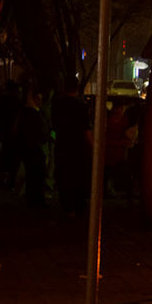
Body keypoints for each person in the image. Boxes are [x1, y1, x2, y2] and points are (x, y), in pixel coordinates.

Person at [51, 87, 92, 215]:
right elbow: (86, 129)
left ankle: (67, 206)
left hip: (62, 145)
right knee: (78, 175)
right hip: (78, 146)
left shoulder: (57, 105)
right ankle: (78, 206)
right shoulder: (81, 106)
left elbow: (53, 125)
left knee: (64, 175)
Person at [16, 87, 50, 209]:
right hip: (35, 150)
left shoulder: (25, 113)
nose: (40, 101)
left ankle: (33, 201)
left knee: (32, 176)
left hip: (28, 150)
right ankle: (38, 201)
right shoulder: (33, 115)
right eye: (38, 98)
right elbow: (39, 133)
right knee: (37, 176)